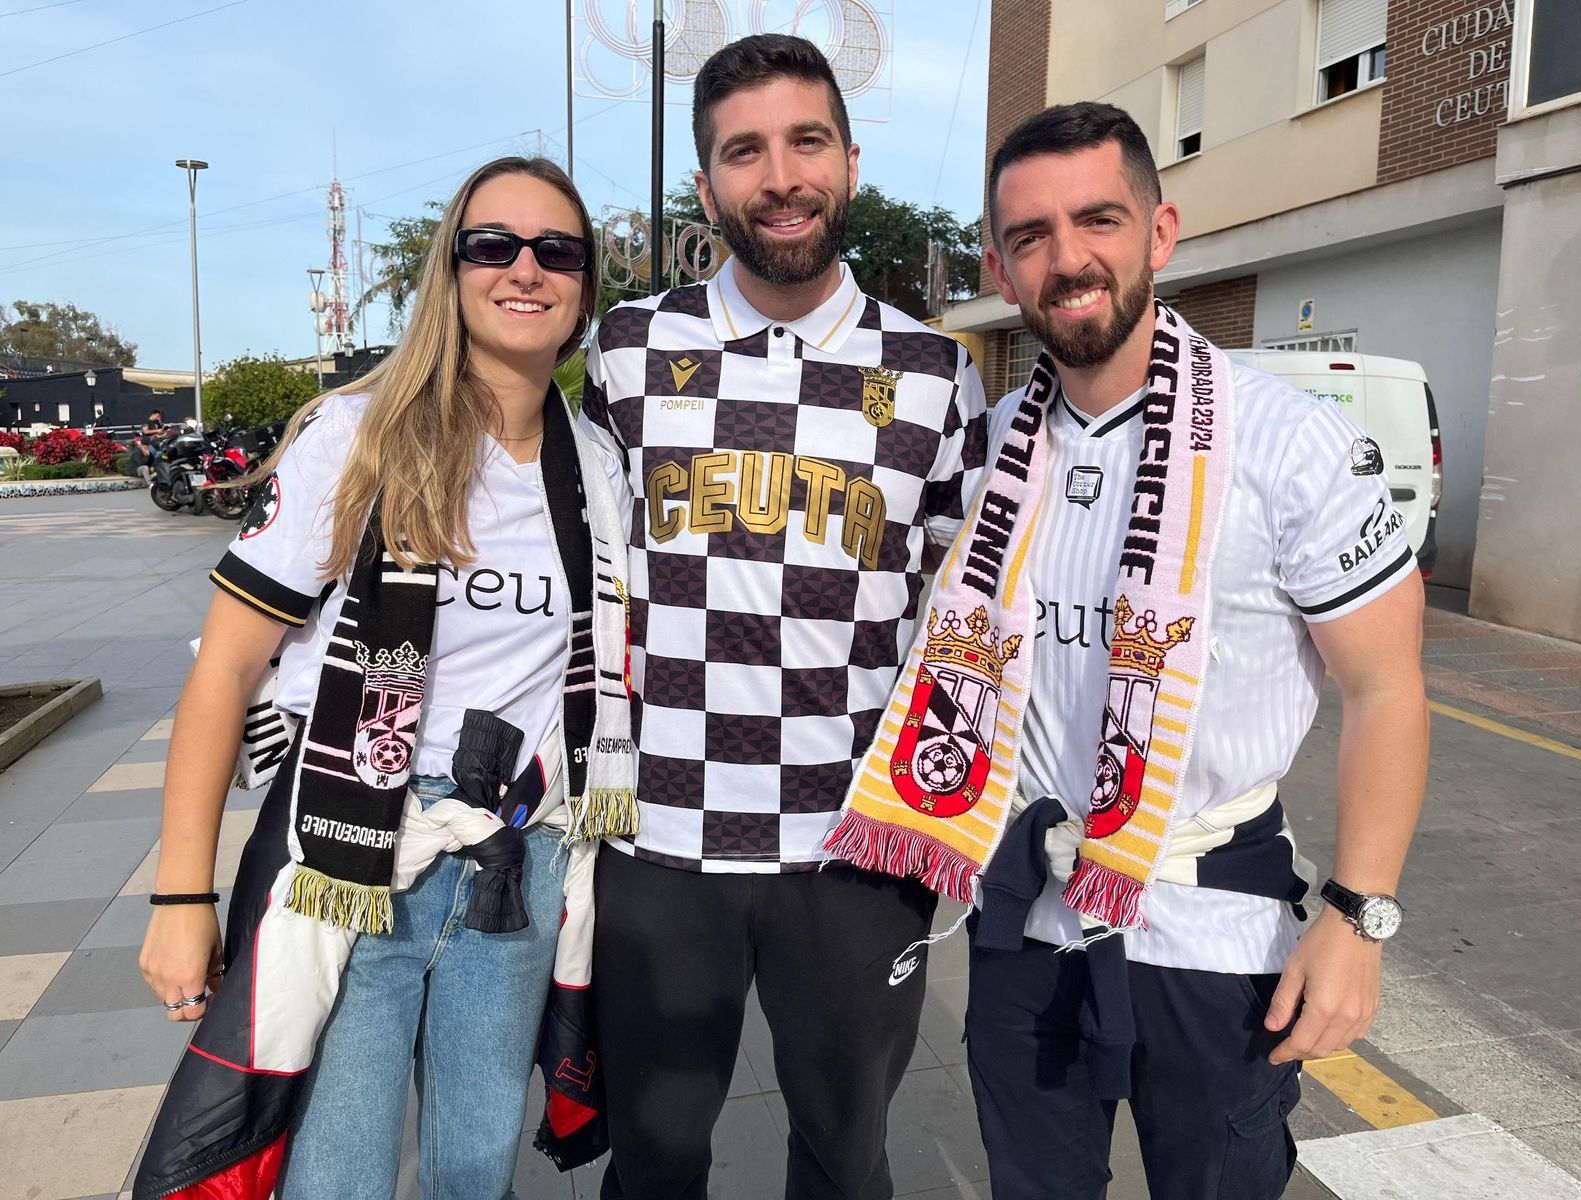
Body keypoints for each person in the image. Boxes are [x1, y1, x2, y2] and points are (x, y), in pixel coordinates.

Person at [833, 103, 1428, 1200]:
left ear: (1159, 231)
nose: (1067, 258)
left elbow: (1385, 687)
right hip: (1029, 919)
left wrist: (1357, 918)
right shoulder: (987, 454)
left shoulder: (1291, 443)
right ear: (1000, 270)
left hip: (1212, 934)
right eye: (1030, 236)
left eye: (1097, 219)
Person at [135, 155, 634, 1199]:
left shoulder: (597, 463)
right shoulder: (355, 437)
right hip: (356, 856)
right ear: (450, 269)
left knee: (473, 1166)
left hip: (518, 856)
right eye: (493, 245)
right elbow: (225, 670)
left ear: (585, 285)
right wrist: (180, 895)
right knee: (338, 1175)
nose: (526, 269)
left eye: (557, 251)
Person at [582, 33, 990, 1200]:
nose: (780, 177)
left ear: (850, 162)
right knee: (653, 1164)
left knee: (847, 1161)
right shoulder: (628, 349)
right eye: (743, 151)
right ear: (706, 186)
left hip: (856, 849)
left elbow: (971, 613)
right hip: (660, 841)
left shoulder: (935, 373)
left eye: (806, 141)